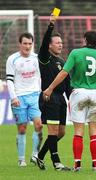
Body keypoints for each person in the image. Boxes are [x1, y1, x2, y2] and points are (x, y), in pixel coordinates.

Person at [43, 30, 96, 172]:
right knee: (94, 130)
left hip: (78, 94)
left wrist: (50, 88)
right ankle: (95, 165)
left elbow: (64, 73)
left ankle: (77, 165)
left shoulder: (75, 53)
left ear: (85, 40)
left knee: (78, 131)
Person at [34, 14, 72, 171]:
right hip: (49, 97)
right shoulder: (45, 57)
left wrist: (72, 100)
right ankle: (57, 163)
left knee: (61, 133)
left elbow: (68, 83)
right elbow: (43, 43)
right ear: (49, 45)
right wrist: (51, 25)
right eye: (57, 43)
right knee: (53, 131)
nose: (60, 45)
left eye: (61, 43)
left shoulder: (63, 61)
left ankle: (40, 156)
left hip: (60, 99)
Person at [6, 32, 43, 167]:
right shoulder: (12, 59)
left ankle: (35, 155)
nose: (27, 46)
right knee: (22, 129)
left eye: (30, 43)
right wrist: (13, 97)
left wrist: (42, 92)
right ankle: (21, 159)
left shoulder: (36, 58)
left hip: (34, 96)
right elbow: (9, 79)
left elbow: (40, 77)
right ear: (20, 44)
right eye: (25, 43)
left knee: (39, 125)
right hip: (19, 97)